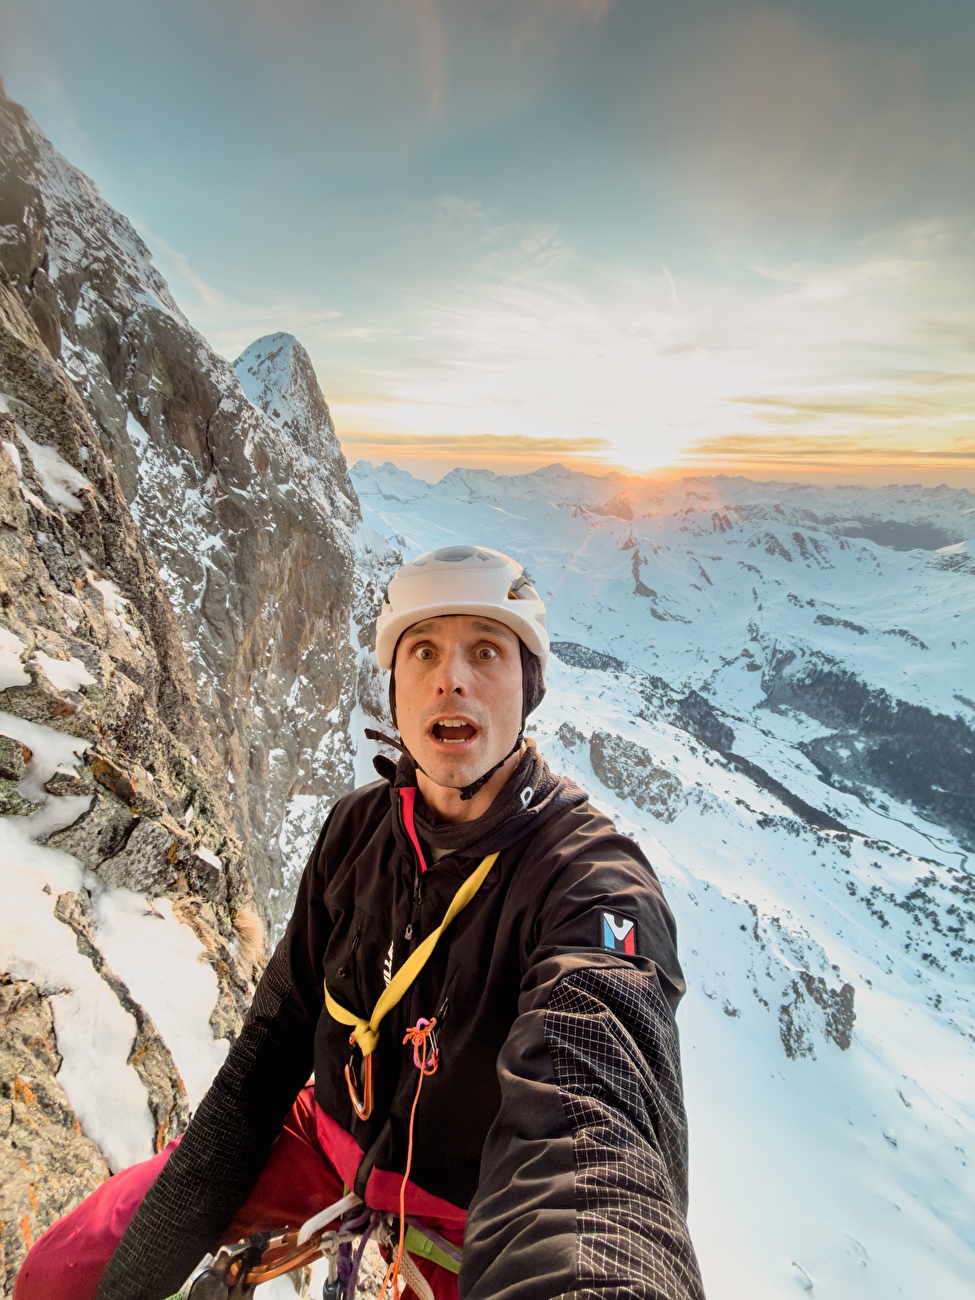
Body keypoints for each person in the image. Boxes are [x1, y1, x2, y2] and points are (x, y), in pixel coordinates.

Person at [15, 545, 705, 1300]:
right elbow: (267, 1057)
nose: (452, 677)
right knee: (62, 1275)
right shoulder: (356, 832)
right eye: (423, 651)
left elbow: (589, 1125)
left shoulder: (591, 885)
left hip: (475, 1223)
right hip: (326, 1138)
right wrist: (135, 1272)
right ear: (396, 687)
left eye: (486, 650)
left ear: (526, 687)